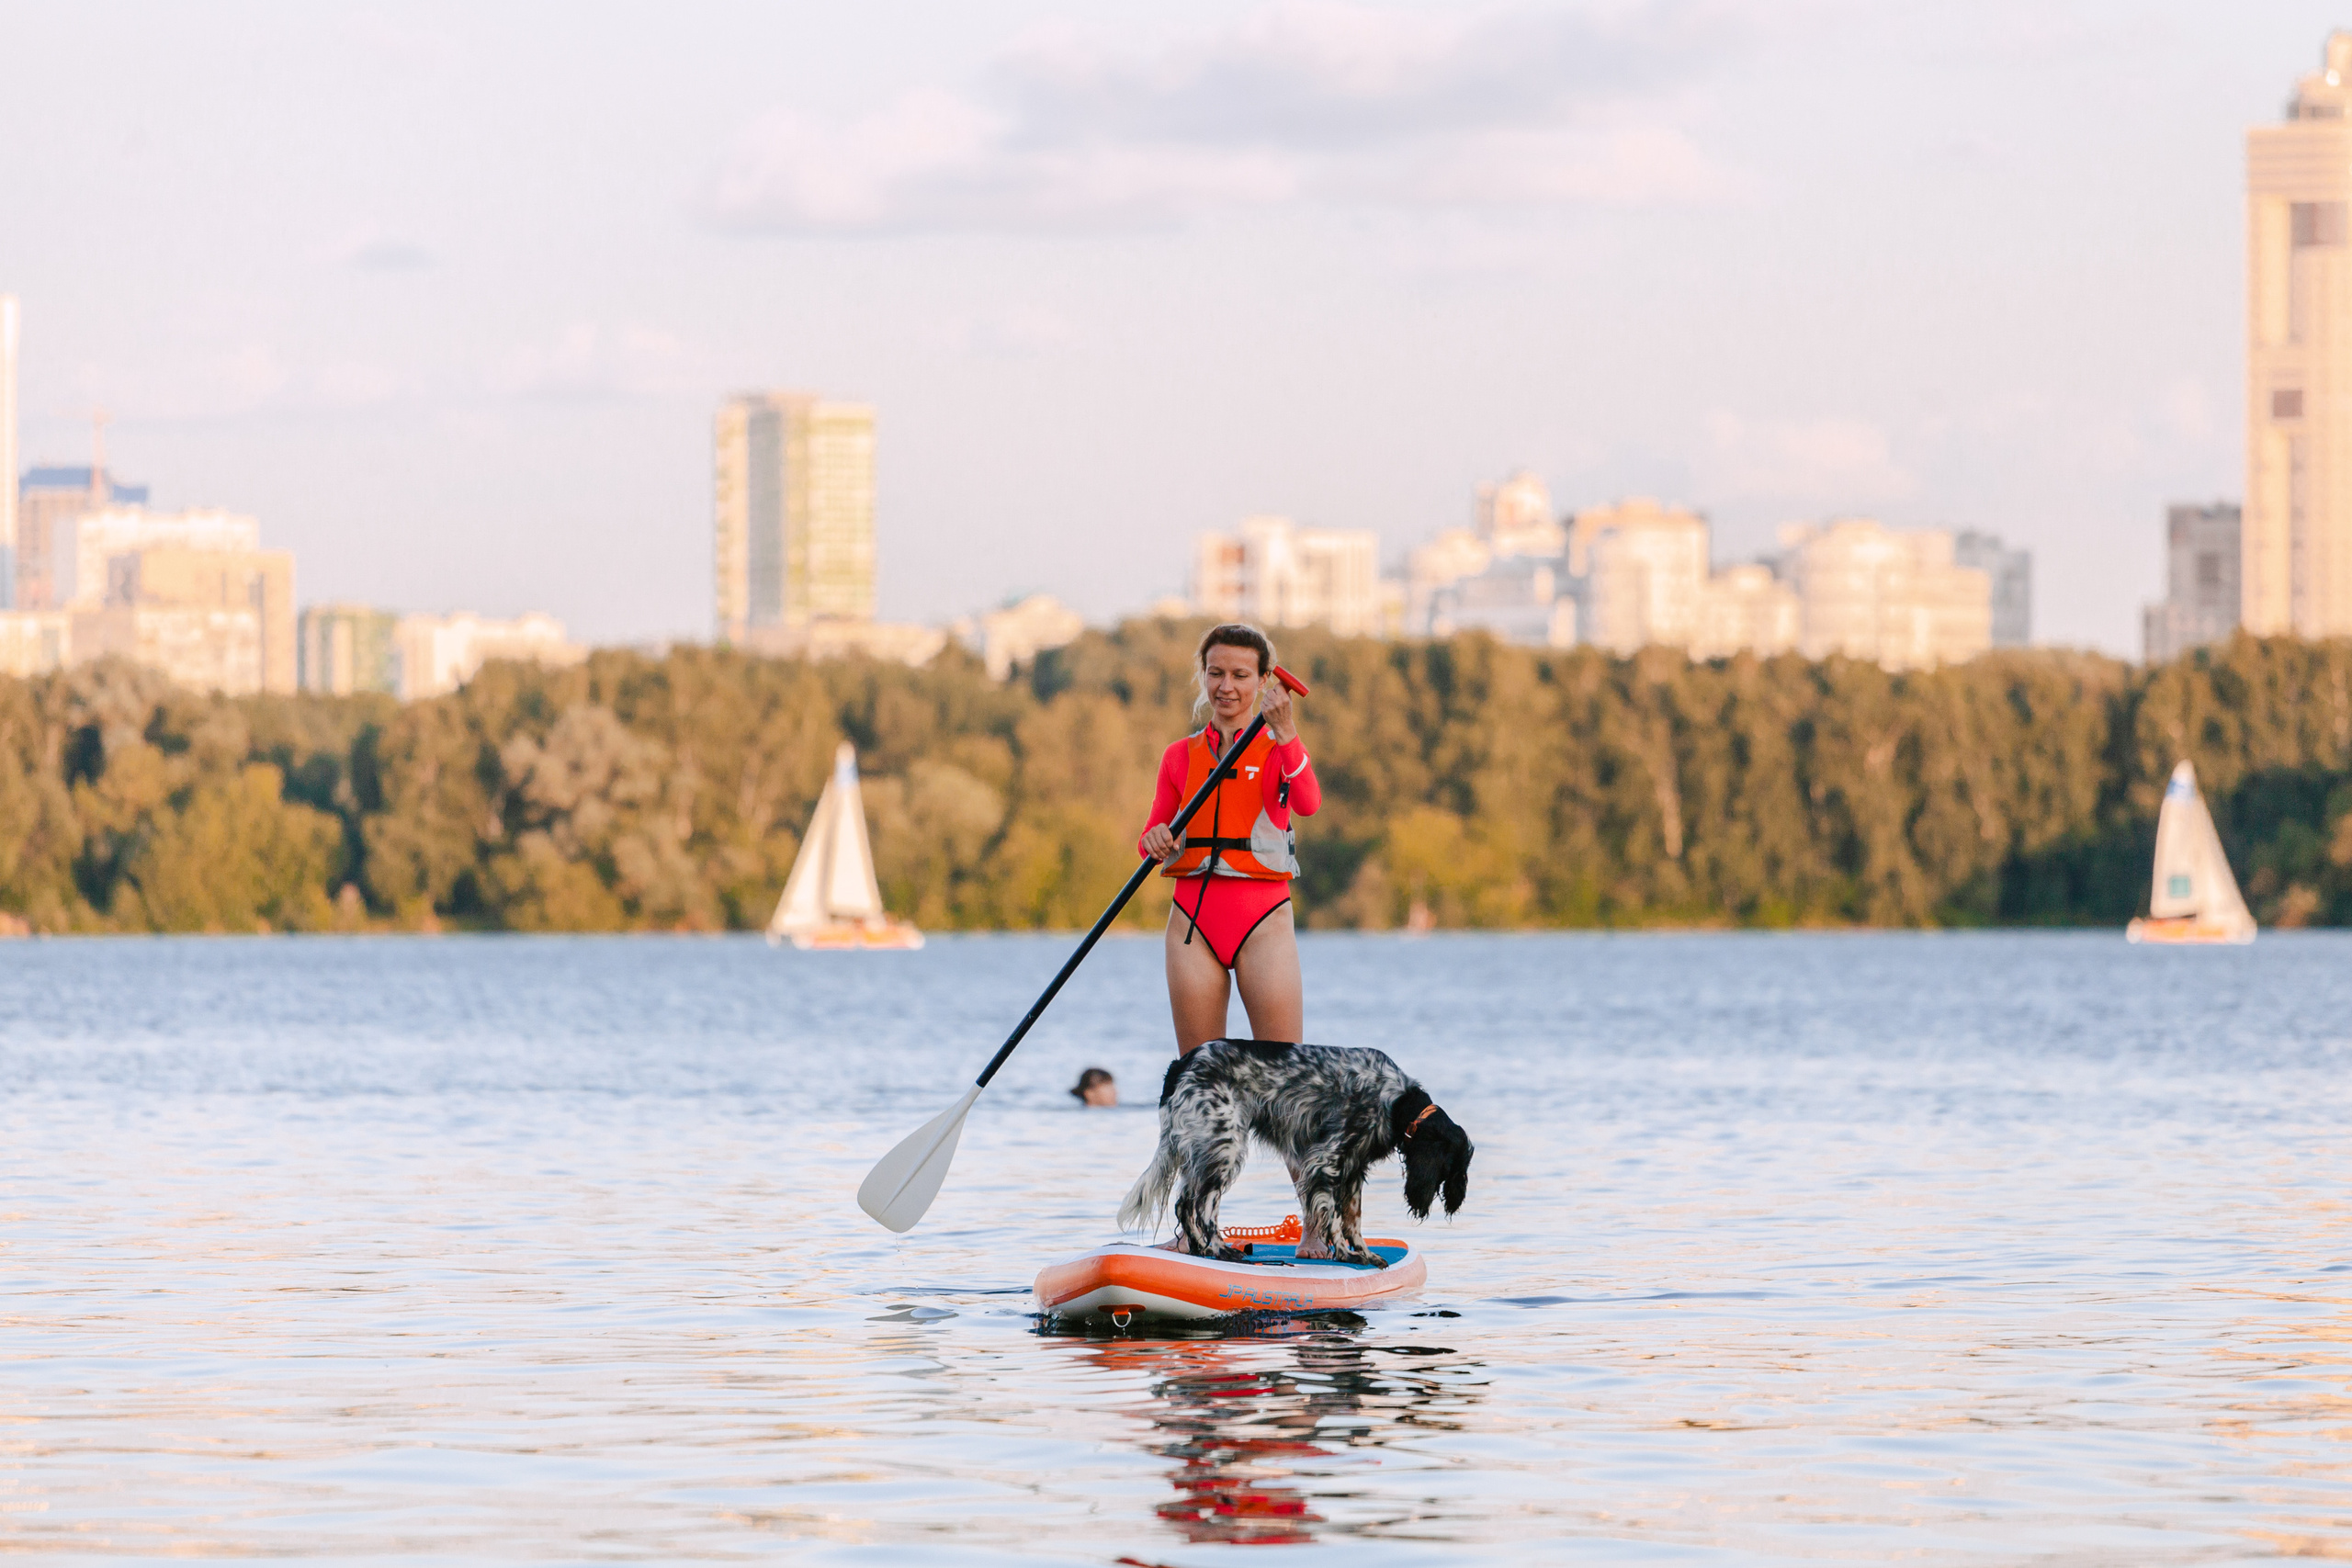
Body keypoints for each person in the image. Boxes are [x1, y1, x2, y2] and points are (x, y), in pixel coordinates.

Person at [1137, 624, 1321, 1057]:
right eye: (1216, 673)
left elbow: (1309, 803)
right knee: (1199, 1078)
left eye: (1241, 675)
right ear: (1203, 676)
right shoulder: (1179, 756)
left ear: (1263, 681)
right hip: (1191, 927)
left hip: (1263, 924)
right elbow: (1148, 841)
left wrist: (1287, 734)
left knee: (1284, 1076)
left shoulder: (1279, 749)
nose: (1227, 686)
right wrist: (1156, 838)